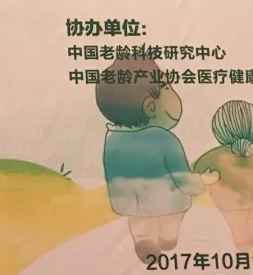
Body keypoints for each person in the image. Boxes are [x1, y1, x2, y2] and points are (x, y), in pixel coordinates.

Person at [95, 57, 219, 263]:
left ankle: (143, 239)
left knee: (138, 220)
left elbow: (113, 176)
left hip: (132, 202)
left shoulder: (113, 140)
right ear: (151, 107)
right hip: (168, 200)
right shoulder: (165, 139)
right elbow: (182, 179)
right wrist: (201, 181)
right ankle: (168, 236)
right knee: (173, 214)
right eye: (167, 87)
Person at [195, 100, 253, 251]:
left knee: (238, 229)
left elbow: (199, 174)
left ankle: (243, 248)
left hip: (228, 201)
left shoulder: (214, 156)